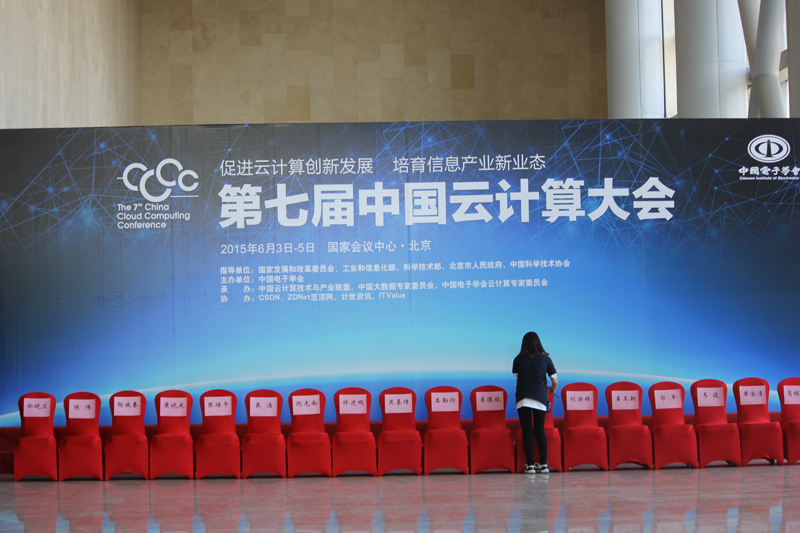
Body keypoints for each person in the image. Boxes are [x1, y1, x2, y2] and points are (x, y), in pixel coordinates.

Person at [512, 331, 558, 474]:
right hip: (540, 396)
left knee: (527, 431)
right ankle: (543, 464)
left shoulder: (518, 359)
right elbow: (555, 381)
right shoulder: (546, 359)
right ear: (538, 343)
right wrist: (551, 390)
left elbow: (518, 379)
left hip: (523, 397)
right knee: (539, 430)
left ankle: (530, 465)